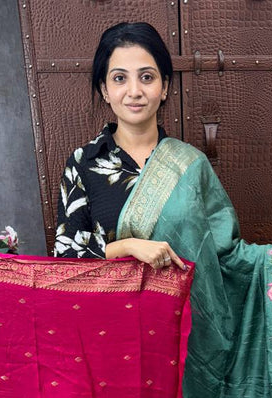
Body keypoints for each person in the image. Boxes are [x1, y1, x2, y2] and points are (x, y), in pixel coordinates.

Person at [54, 22, 186, 272]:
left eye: (147, 77)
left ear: (165, 87)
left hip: (182, 297)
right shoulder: (84, 163)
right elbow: (65, 253)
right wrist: (127, 247)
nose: (134, 91)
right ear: (105, 89)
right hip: (111, 297)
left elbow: (220, 250)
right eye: (119, 78)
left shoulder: (187, 163)